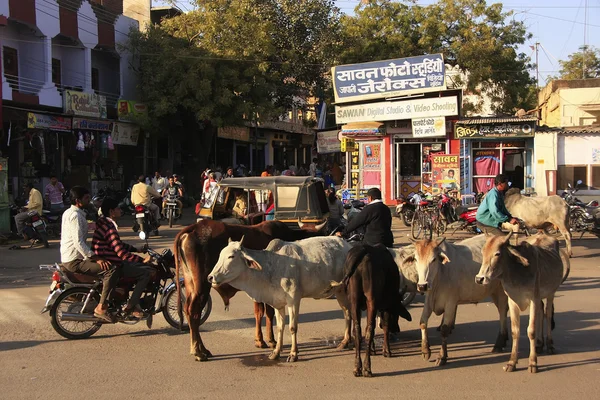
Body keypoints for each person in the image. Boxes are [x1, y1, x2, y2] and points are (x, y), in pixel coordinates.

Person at [60, 186, 117, 322]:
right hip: (74, 260)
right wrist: (96, 258)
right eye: (86, 198)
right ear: (78, 200)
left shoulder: (71, 213)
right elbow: (78, 243)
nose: (89, 199)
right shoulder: (75, 216)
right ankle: (101, 307)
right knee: (111, 269)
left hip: (72, 256)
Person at [92, 198, 153, 319]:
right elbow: (121, 253)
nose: (120, 210)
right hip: (113, 261)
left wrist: (137, 249)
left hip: (108, 258)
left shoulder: (104, 224)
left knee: (135, 267)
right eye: (118, 208)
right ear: (111, 211)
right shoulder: (109, 228)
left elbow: (118, 244)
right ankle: (131, 306)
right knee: (145, 273)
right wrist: (142, 260)